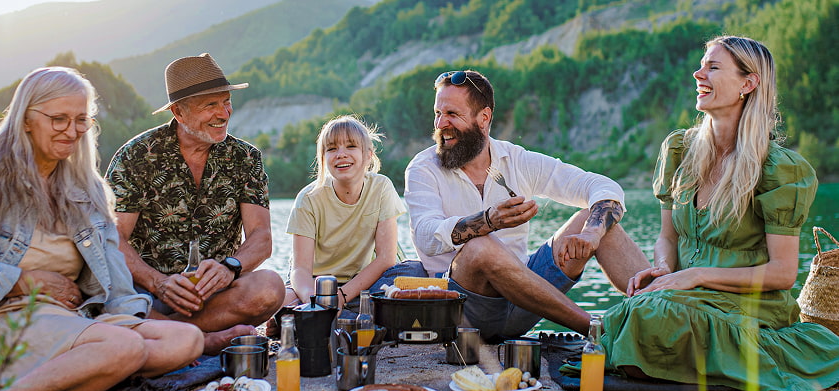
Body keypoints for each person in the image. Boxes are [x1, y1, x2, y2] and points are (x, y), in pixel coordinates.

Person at [603, 36, 839, 391]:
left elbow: (783, 273)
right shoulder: (679, 151)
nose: (699, 73)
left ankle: (738, 357)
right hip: (686, 296)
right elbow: (668, 237)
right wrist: (665, 270)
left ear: (748, 83)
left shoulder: (778, 169)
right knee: (629, 312)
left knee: (647, 317)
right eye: (702, 65)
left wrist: (696, 275)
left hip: (750, 306)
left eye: (713, 67)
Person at [0, 67, 203, 391]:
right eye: (58, 118)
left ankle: (72, 375)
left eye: (81, 119)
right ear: (26, 120)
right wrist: (22, 281)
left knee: (185, 340)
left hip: (71, 319)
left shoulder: (86, 189)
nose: (72, 130)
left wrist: (132, 318)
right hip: (0, 318)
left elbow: (116, 281)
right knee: (124, 348)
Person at [405, 69, 649, 341]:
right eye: (438, 113)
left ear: (483, 118)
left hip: (525, 302)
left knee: (598, 220)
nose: (440, 124)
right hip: (464, 309)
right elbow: (426, 236)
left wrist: (592, 232)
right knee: (480, 246)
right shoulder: (423, 168)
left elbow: (603, 186)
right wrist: (487, 221)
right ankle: (596, 329)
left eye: (452, 114)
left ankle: (662, 317)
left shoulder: (516, 160)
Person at [106, 53, 285, 354]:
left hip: (216, 296)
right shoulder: (137, 156)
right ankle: (202, 338)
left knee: (270, 288)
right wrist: (158, 283)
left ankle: (169, 335)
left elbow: (262, 238)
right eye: (210, 105)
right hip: (147, 292)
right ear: (179, 112)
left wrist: (230, 268)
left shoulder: (245, 158)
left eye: (226, 101)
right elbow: (112, 239)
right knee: (105, 295)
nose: (224, 113)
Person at [283, 115, 407, 312]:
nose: (341, 154)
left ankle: (346, 310)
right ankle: (306, 316)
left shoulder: (381, 187)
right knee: (283, 300)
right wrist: (315, 304)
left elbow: (386, 259)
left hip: (363, 282)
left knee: (412, 272)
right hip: (317, 284)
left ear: (368, 155)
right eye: (331, 149)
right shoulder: (308, 198)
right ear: (323, 158)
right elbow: (300, 270)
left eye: (351, 146)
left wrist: (341, 296)